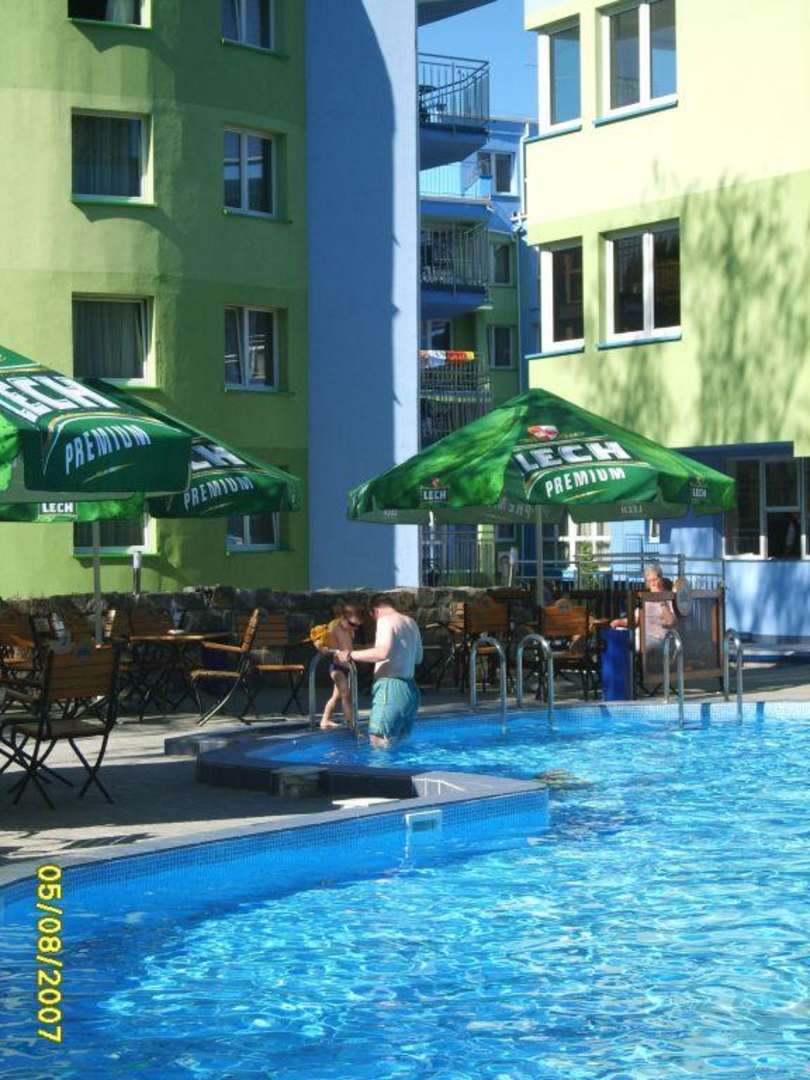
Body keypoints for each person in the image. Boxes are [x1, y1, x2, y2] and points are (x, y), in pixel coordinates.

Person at [336, 594, 422, 748]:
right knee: (399, 744)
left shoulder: (385, 620)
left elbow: (382, 653)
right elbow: (418, 658)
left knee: (378, 741)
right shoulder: (411, 622)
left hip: (390, 688)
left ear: (373, 611)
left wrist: (350, 655)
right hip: (410, 690)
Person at [315, 604, 365, 730]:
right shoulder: (333, 627)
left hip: (347, 667)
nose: (355, 628)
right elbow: (319, 639)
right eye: (352, 624)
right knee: (346, 694)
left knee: (336, 696)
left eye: (357, 626)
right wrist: (322, 648)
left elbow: (348, 646)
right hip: (337, 668)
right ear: (342, 618)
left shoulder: (348, 629)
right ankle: (351, 723)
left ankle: (325, 719)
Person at [610, 563, 676, 645]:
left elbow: (671, 622)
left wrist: (661, 600)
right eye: (649, 581)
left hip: (656, 638)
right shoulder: (646, 599)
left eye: (655, 580)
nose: (653, 583)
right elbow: (636, 620)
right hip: (640, 636)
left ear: (661, 579)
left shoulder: (668, 598)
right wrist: (619, 622)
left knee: (627, 646)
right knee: (614, 641)